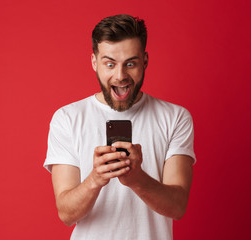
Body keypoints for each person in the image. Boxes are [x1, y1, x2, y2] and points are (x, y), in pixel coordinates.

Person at [44, 14, 196, 240]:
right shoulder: (67, 118)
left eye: (130, 63)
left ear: (145, 61)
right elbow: (66, 213)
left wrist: (137, 180)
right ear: (94, 62)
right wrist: (95, 179)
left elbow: (177, 207)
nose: (120, 76)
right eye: (109, 64)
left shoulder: (175, 117)